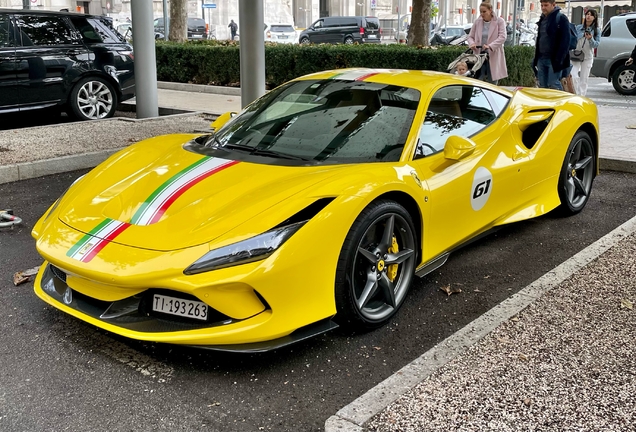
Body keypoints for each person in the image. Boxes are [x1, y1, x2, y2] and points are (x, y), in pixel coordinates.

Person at [533, 0, 571, 90]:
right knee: (543, 86)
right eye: (542, 5)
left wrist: (559, 59)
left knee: (553, 84)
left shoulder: (561, 18)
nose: (543, 8)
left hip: (553, 60)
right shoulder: (542, 19)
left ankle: (560, 103)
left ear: (553, 5)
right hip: (541, 58)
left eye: (546, 5)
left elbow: (565, 41)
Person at [467, 1, 508, 84]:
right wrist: (472, 43)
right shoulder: (477, 22)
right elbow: (470, 36)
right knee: (477, 80)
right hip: (479, 55)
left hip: (493, 54)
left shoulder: (500, 21)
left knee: (492, 82)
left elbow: (502, 37)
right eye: (480, 12)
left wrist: (490, 46)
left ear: (490, 10)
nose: (482, 14)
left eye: (484, 11)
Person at [571, 9, 601, 96]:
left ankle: (582, 97)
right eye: (587, 14)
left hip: (587, 57)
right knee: (573, 75)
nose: (588, 16)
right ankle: (575, 95)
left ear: (594, 18)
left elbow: (596, 45)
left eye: (591, 15)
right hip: (576, 55)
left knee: (584, 79)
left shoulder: (597, 30)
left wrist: (590, 38)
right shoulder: (579, 27)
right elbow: (573, 40)